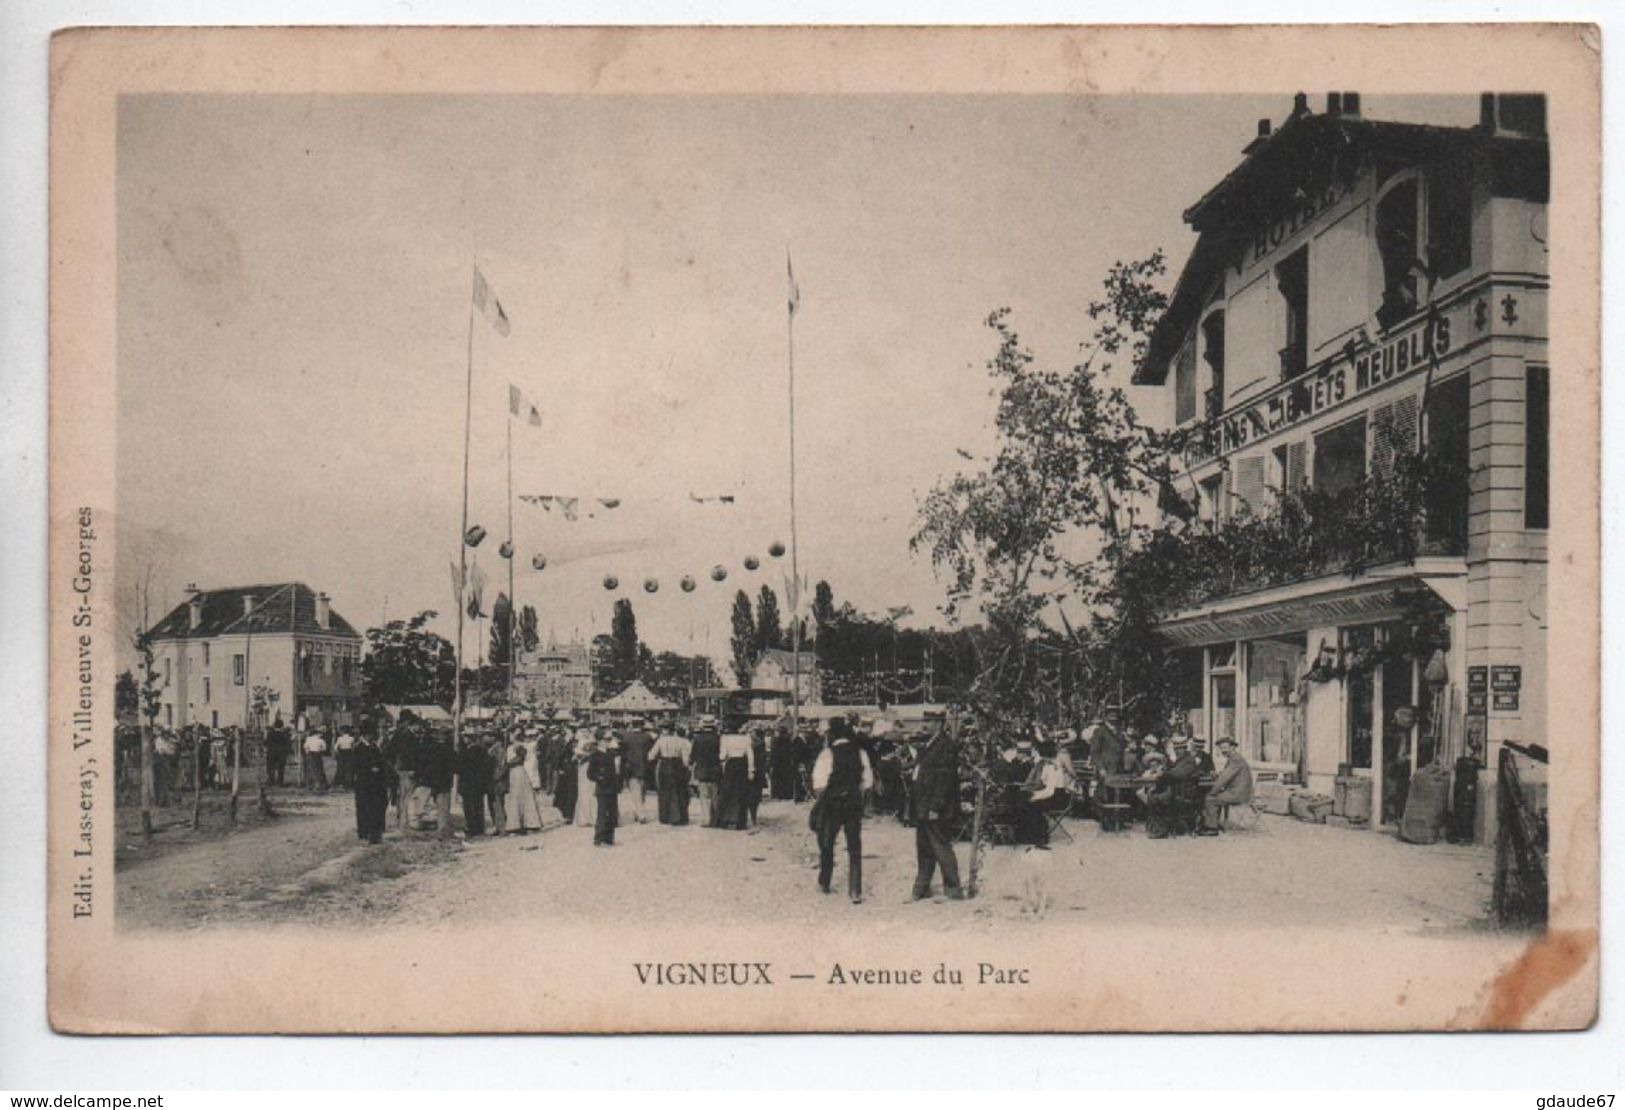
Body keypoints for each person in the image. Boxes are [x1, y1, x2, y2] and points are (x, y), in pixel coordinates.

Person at [810, 718, 872, 903]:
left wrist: (824, 799)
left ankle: (825, 881)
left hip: (832, 803)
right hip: (853, 803)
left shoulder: (827, 754)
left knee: (827, 842)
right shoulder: (860, 753)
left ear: (832, 735)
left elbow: (819, 784)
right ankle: (855, 890)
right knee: (854, 846)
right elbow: (867, 782)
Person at [911, 712, 964, 901]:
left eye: (929, 721)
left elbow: (945, 781)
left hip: (935, 808)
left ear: (939, 724)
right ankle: (922, 888)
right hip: (923, 806)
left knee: (941, 847)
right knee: (924, 848)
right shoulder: (929, 744)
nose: (925, 725)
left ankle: (953, 888)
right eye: (925, 720)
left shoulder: (946, 746)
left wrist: (935, 807)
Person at [1016, 741, 1071, 848]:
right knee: (1026, 801)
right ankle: (1030, 834)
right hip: (1055, 795)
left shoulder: (1051, 767)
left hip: (1058, 798)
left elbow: (1049, 791)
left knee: (1032, 805)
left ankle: (1039, 837)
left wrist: (1034, 796)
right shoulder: (1049, 764)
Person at [1199, 737, 1254, 835]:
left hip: (1238, 794)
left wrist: (1213, 790)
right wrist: (1217, 775)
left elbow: (1224, 779)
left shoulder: (1236, 760)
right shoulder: (1234, 758)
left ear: (1232, 747)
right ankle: (1213, 822)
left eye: (1225, 748)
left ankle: (1212, 829)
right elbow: (1226, 775)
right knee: (1215, 796)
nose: (1223, 751)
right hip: (1237, 791)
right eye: (1221, 748)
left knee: (1210, 798)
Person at [350, 732, 393, 844]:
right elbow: (355, 766)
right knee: (364, 808)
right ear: (364, 735)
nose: (371, 737)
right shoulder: (358, 748)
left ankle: (376, 833)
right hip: (364, 782)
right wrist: (369, 769)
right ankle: (364, 833)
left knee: (377, 807)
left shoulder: (375, 747)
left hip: (377, 782)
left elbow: (382, 762)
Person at [417, 732, 456, 840]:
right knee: (444, 808)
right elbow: (455, 765)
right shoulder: (448, 751)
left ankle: (442, 831)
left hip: (434, 783)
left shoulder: (429, 751)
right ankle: (444, 832)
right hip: (444, 783)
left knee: (439, 808)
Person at [715, 724, 755, 830]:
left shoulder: (725, 739)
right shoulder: (746, 738)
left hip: (731, 765)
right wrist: (751, 770)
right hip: (742, 764)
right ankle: (739, 821)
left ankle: (727, 819)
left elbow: (722, 755)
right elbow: (750, 755)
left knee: (728, 792)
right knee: (740, 792)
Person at [652, 724, 692, 825]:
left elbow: (651, 755)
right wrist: (686, 767)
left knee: (665, 791)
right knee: (679, 791)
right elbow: (685, 759)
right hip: (678, 765)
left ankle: (665, 816)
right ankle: (681, 817)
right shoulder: (681, 741)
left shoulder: (661, 740)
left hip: (665, 764)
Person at [503, 735, 544, 834]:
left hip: (518, 771)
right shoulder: (510, 747)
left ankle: (528, 823)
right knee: (515, 797)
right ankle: (517, 824)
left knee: (521, 796)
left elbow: (520, 759)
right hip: (513, 773)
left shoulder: (520, 747)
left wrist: (508, 764)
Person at [586, 732, 621, 846]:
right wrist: (599, 777)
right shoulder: (595, 755)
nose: (609, 742)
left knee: (612, 814)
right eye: (607, 740)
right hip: (602, 788)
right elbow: (590, 774)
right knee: (602, 814)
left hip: (612, 787)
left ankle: (609, 839)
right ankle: (599, 839)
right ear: (600, 741)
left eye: (609, 739)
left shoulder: (611, 753)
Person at [689, 716, 723, 826]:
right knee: (715, 795)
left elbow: (693, 756)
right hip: (715, 769)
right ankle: (716, 819)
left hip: (702, 769)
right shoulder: (718, 738)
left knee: (703, 796)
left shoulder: (697, 738)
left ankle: (705, 819)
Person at [456, 738, 493, 837]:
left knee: (469, 807)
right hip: (479, 783)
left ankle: (471, 828)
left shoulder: (464, 752)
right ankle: (479, 827)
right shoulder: (483, 751)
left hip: (467, 783)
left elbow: (458, 768)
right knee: (478, 806)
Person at [619, 717, 653, 824]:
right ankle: (640, 812)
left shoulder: (626, 737)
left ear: (632, 725)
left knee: (635, 791)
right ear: (642, 725)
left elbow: (622, 754)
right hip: (645, 767)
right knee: (642, 791)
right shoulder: (647, 737)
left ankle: (639, 812)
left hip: (631, 767)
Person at [572, 729, 599, 830]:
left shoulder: (589, 742)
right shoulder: (585, 741)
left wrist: (582, 756)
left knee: (589, 792)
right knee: (585, 792)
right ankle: (586, 817)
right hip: (583, 769)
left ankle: (589, 818)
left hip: (587, 767)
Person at [485, 732, 509, 834]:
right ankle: (497, 826)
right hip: (492, 780)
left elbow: (502, 766)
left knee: (497, 803)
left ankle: (502, 827)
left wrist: (495, 777)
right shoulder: (493, 749)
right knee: (493, 803)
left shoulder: (499, 750)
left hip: (497, 781)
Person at [551, 734, 579, 825]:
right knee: (567, 795)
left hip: (572, 775)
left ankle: (570, 814)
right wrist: (560, 769)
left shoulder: (571, 750)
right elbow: (558, 761)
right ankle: (568, 814)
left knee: (571, 795)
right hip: (567, 775)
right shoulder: (565, 751)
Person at [746, 726, 769, 827]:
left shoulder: (755, 745)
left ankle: (752, 817)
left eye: (752, 733)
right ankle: (753, 817)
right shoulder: (761, 744)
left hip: (753, 773)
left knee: (751, 796)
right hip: (758, 773)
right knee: (755, 797)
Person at [265, 716, 291, 787]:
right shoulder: (285, 734)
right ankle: (280, 782)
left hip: (272, 752)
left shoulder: (270, 734)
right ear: (282, 726)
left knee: (271, 767)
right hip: (281, 753)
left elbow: (267, 742)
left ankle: (271, 780)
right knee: (281, 768)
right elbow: (288, 743)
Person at [302, 727, 329, 792]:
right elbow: (324, 748)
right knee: (319, 769)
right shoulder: (321, 740)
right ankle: (320, 784)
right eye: (321, 733)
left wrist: (307, 752)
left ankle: (310, 784)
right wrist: (320, 749)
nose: (321, 735)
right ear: (318, 733)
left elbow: (305, 747)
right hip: (317, 754)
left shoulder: (308, 739)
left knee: (310, 769)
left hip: (310, 754)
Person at [332, 725, 357, 789]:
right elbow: (353, 747)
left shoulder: (339, 738)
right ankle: (349, 783)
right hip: (349, 753)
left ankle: (341, 782)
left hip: (342, 753)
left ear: (342, 731)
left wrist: (337, 753)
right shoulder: (352, 738)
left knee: (341, 768)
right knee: (349, 768)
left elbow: (335, 747)